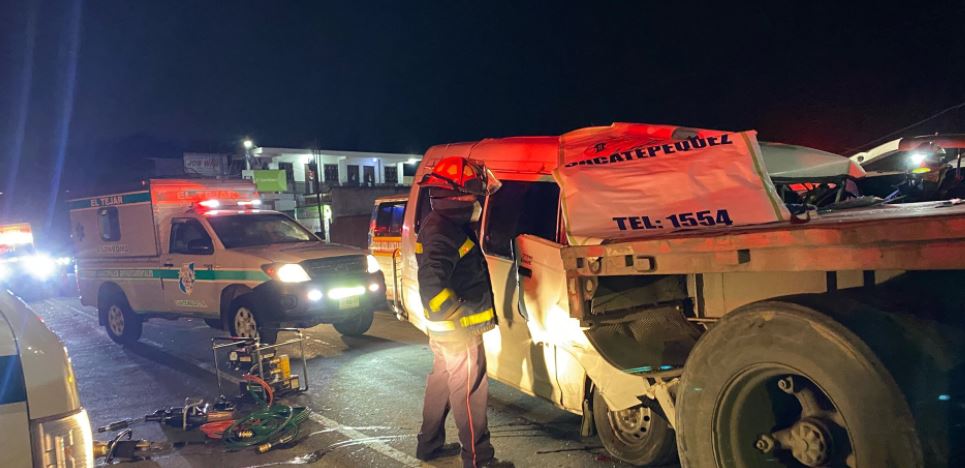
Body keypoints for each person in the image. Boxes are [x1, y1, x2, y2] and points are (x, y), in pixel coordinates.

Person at [414, 156, 510, 468]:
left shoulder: (440, 223)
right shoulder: (444, 230)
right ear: (456, 195)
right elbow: (432, 283)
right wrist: (455, 313)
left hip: (447, 331)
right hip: (459, 330)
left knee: (442, 382)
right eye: (473, 192)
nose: (478, 199)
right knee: (470, 393)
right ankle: (478, 459)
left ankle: (428, 445)